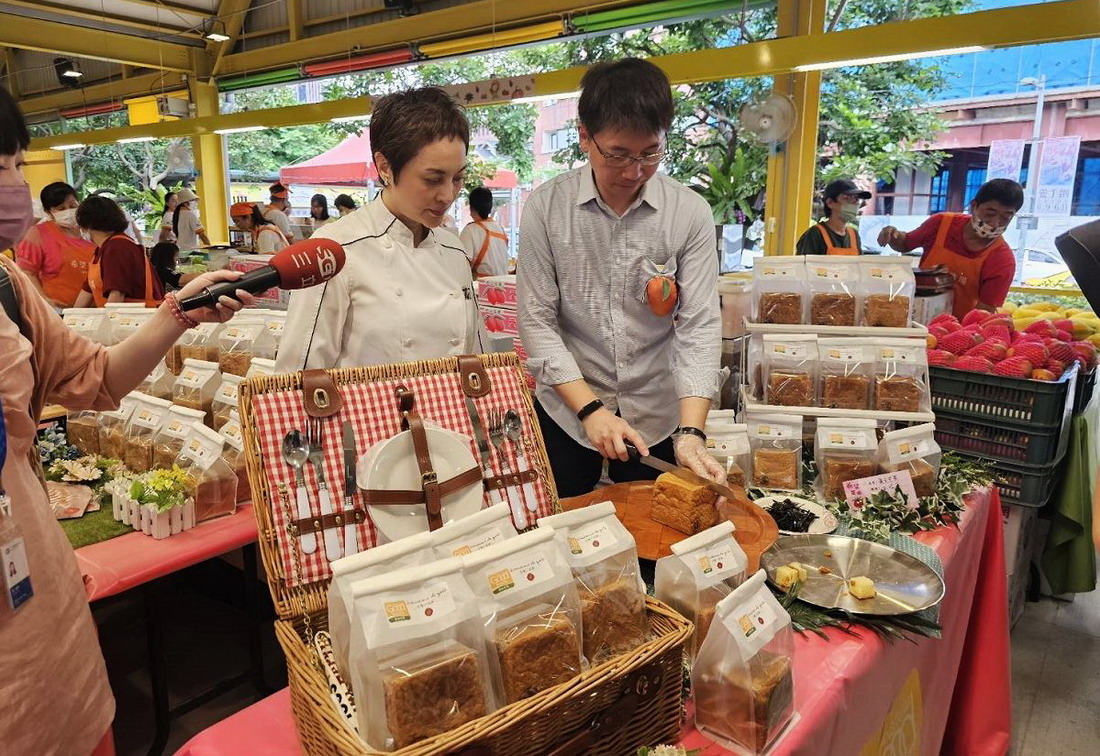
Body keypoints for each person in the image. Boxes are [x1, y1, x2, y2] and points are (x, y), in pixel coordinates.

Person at [0, 83, 255, 756]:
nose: (15, 187)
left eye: (16, 165)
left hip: (50, 643)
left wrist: (178, 315)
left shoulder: (7, 286)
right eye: (2, 165)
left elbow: (95, 379)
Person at [517, 58, 724, 498]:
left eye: (650, 153)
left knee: (657, 539)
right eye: (618, 155)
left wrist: (692, 431)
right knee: (562, 526)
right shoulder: (545, 209)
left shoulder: (689, 213)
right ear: (584, 137)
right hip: (567, 413)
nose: (634, 171)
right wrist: (591, 410)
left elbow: (699, 325)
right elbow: (537, 320)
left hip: (656, 415)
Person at [277, 87, 482, 372]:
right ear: (385, 166)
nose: (448, 195)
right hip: (367, 416)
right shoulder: (334, 251)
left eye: (457, 178)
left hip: (447, 415)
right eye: (433, 179)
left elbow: (477, 362)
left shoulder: (454, 250)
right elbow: (297, 376)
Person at [877, 178, 1024, 317]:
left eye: (1005, 217)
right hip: (915, 316)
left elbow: (984, 312)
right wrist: (893, 235)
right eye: (990, 213)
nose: (995, 223)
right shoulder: (941, 224)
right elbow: (905, 244)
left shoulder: (1002, 260)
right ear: (974, 206)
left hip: (958, 331)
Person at [13, 181, 95, 307]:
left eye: (73, 206)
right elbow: (26, 273)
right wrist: (45, 301)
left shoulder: (91, 230)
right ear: (48, 211)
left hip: (94, 310)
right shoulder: (37, 234)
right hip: (58, 311)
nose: (68, 211)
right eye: (61, 209)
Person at [73, 195, 163, 307]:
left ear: (86, 225)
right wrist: (70, 319)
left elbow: (117, 295)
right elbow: (87, 290)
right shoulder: (102, 250)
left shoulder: (117, 248)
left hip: (134, 319)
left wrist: (105, 322)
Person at [795, 178, 870, 256]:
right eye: (847, 198)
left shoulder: (854, 235)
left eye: (856, 199)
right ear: (830, 203)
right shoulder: (815, 234)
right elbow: (803, 266)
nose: (854, 203)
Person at [460, 186, 510, 277]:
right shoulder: (500, 229)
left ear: (471, 207)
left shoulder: (470, 230)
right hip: (504, 285)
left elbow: (462, 265)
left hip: (482, 286)